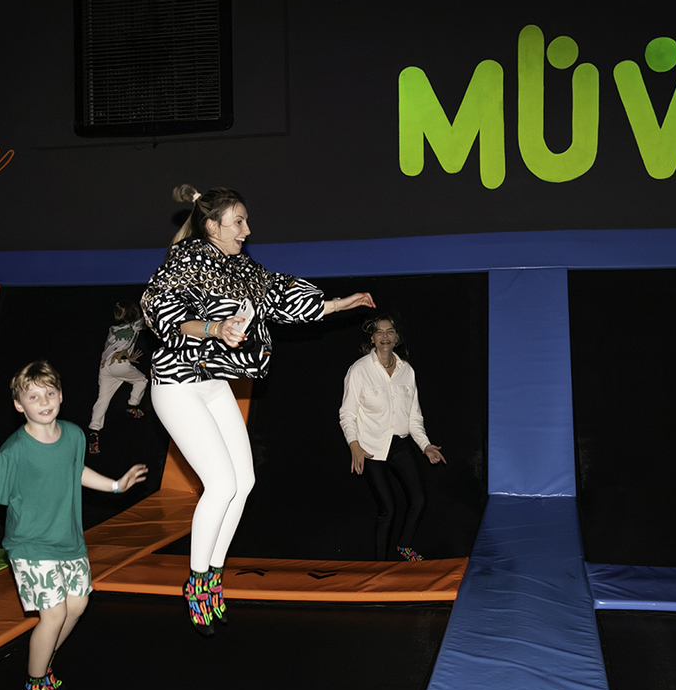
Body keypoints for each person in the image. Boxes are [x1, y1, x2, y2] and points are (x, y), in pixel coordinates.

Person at [142, 184, 375, 636]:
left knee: (244, 482)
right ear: (212, 226)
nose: (248, 230)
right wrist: (214, 328)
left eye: (246, 221)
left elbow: (279, 296)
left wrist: (337, 304)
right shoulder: (186, 259)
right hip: (176, 382)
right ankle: (196, 583)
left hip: (211, 382)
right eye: (238, 222)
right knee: (220, 483)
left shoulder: (242, 268)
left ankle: (212, 575)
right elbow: (160, 312)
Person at [0, 361, 148, 690]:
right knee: (54, 614)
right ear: (19, 406)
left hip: (69, 540)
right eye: (33, 397)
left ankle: (42, 660)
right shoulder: (14, 451)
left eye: (49, 393)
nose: (44, 401)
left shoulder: (75, 435)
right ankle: (35, 684)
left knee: (77, 606)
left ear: (61, 396)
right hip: (30, 544)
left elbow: (75, 470)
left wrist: (115, 485)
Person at [340, 315, 446, 561]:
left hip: (399, 444)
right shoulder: (359, 370)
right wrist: (354, 445)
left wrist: (425, 445)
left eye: (390, 331)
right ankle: (379, 565)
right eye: (379, 332)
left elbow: (414, 416)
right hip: (370, 447)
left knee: (419, 499)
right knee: (387, 508)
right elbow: (346, 413)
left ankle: (404, 545)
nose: (385, 336)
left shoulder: (406, 371)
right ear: (372, 339)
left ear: (397, 338)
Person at [87, 301, 148, 455]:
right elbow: (147, 318)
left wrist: (127, 358)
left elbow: (113, 349)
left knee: (102, 399)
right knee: (141, 381)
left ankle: (94, 432)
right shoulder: (133, 326)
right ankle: (132, 405)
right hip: (119, 365)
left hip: (105, 367)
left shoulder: (112, 330)